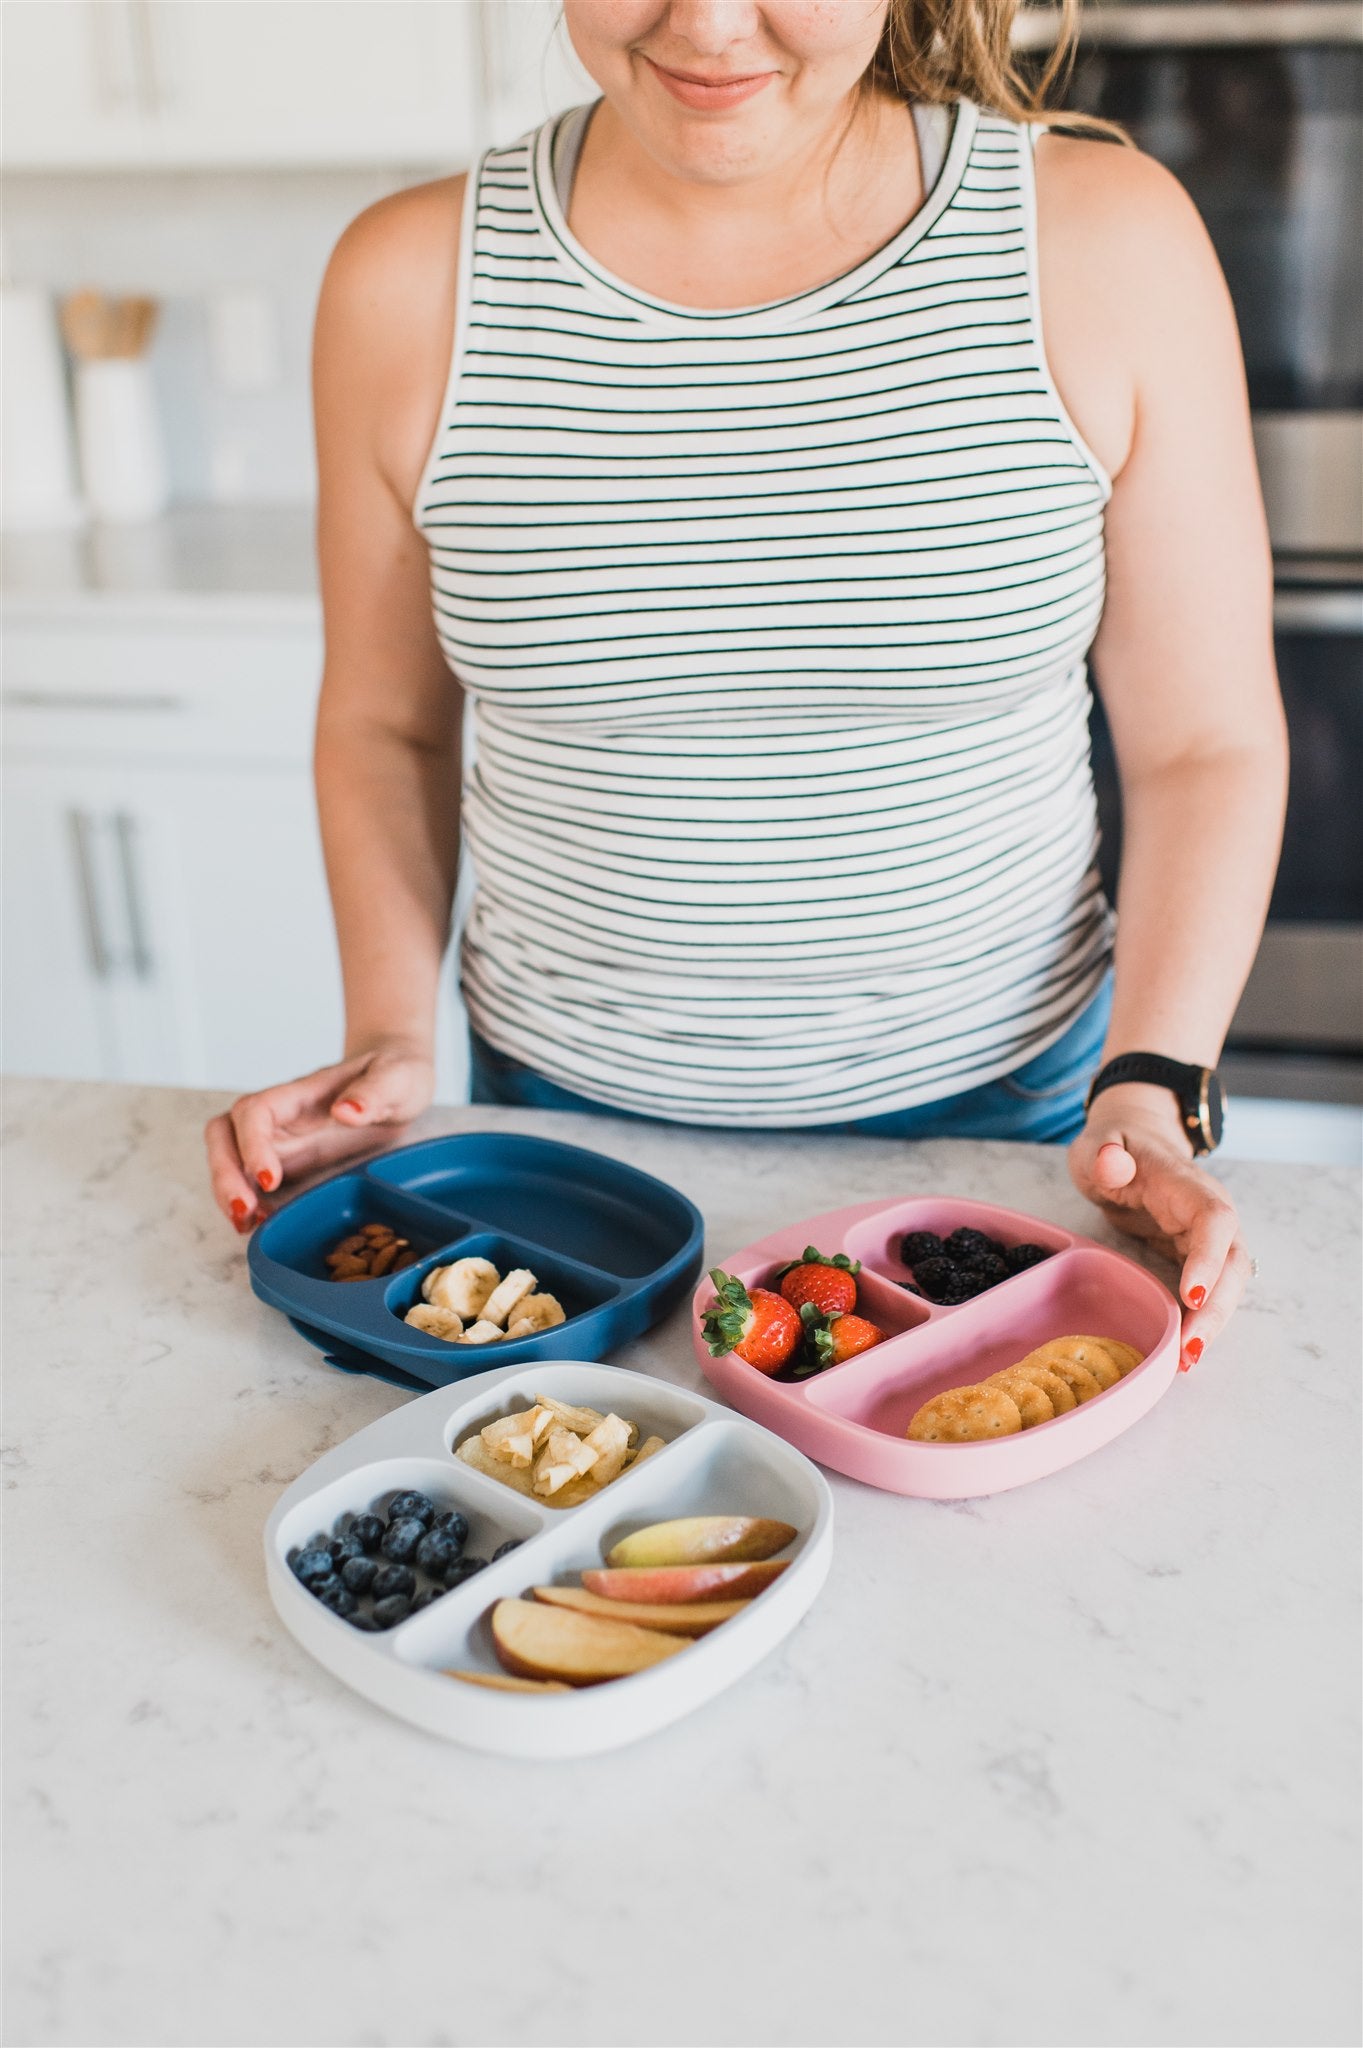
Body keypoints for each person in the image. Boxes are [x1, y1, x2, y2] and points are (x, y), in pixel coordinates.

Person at [205, 0, 1286, 1371]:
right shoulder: (406, 279)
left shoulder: (1104, 240)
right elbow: (384, 721)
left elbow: (1204, 742)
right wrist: (382, 1039)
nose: (710, 24)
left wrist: (1153, 1092)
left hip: (1017, 1130)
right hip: (561, 1136)